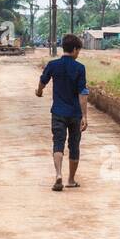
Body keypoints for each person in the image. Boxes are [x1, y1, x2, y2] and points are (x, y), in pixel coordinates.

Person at [36, 33, 88, 191]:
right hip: (75, 114)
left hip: (58, 112)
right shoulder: (80, 68)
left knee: (58, 143)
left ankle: (58, 174)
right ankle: (71, 180)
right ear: (74, 49)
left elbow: (42, 81)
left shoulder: (53, 65)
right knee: (74, 145)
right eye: (78, 50)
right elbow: (83, 93)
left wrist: (39, 91)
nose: (78, 53)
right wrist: (84, 115)